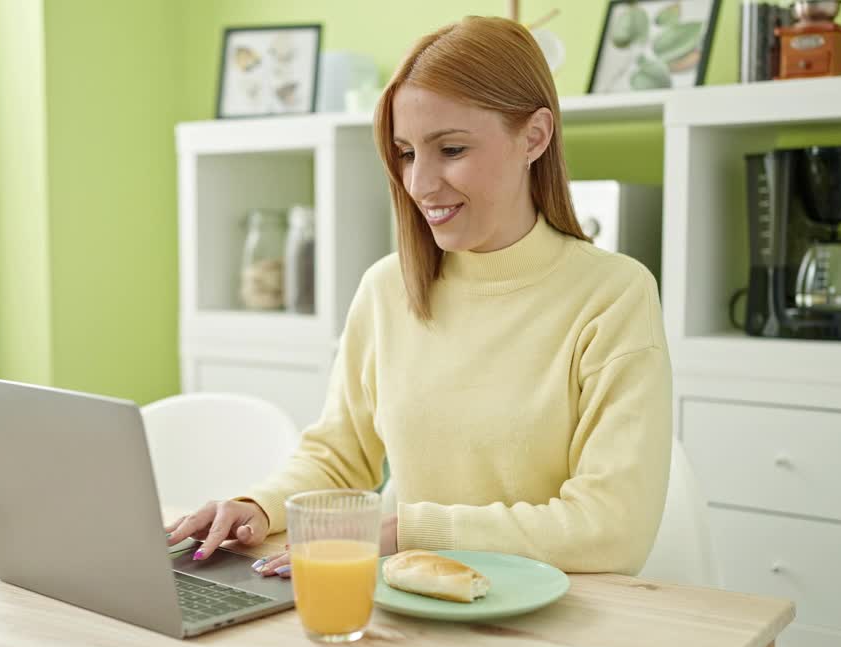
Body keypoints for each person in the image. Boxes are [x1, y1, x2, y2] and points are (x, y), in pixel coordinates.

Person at [165, 15, 671, 580]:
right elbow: (339, 458)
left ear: (534, 136)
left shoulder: (614, 296)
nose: (420, 183)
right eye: (406, 153)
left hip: (555, 622)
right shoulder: (388, 289)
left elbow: (612, 526)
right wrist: (258, 506)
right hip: (408, 606)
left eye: (450, 148)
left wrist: (409, 530)